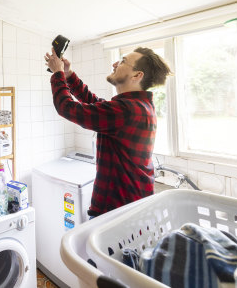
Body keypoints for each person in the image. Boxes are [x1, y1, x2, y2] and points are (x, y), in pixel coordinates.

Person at [45, 46, 171, 218]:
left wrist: (57, 73)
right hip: (131, 206)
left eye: (123, 62)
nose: (114, 64)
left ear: (137, 75)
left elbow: (66, 107)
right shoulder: (138, 106)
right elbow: (95, 103)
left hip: (117, 212)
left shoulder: (126, 110)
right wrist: (68, 75)